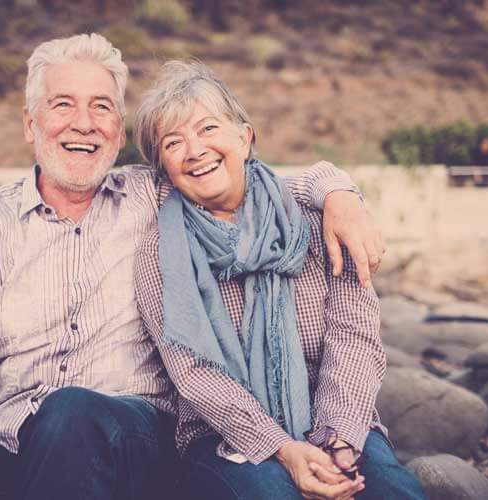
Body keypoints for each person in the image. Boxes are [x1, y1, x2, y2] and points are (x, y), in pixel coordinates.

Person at [0, 34, 385, 500]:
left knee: (72, 413)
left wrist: (338, 191)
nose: (83, 123)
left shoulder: (152, 195)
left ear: (117, 131)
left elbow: (242, 177)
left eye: (101, 107)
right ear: (31, 125)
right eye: (63, 105)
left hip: (135, 436)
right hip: (11, 437)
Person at [133, 61, 426, 500]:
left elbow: (355, 337)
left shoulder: (317, 217)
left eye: (208, 128)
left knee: (392, 493)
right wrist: (283, 448)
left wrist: (339, 440)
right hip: (224, 435)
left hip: (335, 417)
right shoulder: (160, 253)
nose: (194, 150)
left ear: (245, 137)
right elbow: (193, 374)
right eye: (174, 142)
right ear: (164, 168)